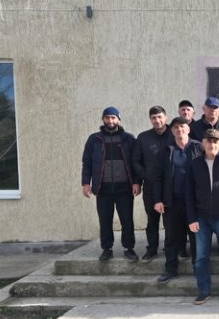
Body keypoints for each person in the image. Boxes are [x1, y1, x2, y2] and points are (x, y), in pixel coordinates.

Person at [186, 129, 219, 304]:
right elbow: (189, 193)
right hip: (201, 218)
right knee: (201, 257)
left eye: (215, 141)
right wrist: (191, 218)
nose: (212, 144)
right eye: (209, 141)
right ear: (203, 143)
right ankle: (204, 291)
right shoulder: (194, 164)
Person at [81, 106, 141, 262]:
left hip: (124, 188)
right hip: (103, 188)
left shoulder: (129, 139)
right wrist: (86, 183)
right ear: (103, 119)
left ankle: (129, 248)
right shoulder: (94, 139)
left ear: (119, 119)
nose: (110, 121)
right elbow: (87, 163)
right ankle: (107, 249)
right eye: (107, 118)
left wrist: (136, 182)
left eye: (113, 118)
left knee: (127, 220)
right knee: (105, 220)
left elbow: (136, 163)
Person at [153, 117, 202, 283]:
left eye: (182, 126)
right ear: (172, 131)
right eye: (175, 127)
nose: (179, 129)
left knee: (196, 236)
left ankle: (198, 268)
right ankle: (171, 268)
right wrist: (158, 199)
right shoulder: (166, 150)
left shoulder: (198, 147)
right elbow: (158, 177)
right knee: (171, 237)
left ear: (188, 129)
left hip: (194, 202)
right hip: (172, 200)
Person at [132, 105, 173, 261]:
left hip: (170, 186)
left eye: (160, 116)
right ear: (150, 120)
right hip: (150, 185)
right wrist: (143, 177)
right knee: (152, 220)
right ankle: (152, 248)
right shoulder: (143, 138)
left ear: (166, 117)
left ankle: (172, 248)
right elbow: (136, 161)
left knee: (171, 221)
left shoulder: (174, 134)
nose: (157, 120)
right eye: (154, 118)